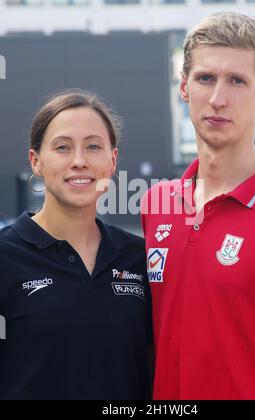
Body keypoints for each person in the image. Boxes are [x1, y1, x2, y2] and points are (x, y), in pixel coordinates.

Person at [142, 12, 255, 400]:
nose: (217, 99)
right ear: (184, 87)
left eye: (237, 81)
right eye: (205, 78)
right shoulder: (156, 204)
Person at [0, 89, 152, 400]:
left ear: (112, 161)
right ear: (36, 161)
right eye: (63, 147)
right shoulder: (5, 257)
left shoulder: (139, 258)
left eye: (93, 147)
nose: (79, 161)